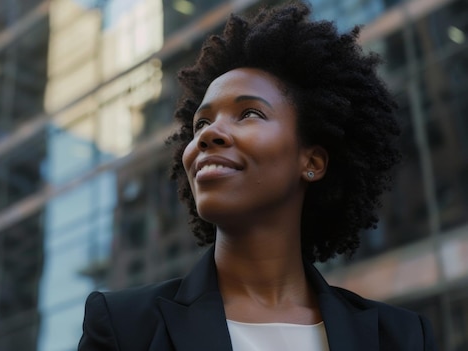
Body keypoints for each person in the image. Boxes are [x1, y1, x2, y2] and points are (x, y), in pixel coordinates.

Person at [78, 2, 438, 350]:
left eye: (249, 113)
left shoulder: (400, 338)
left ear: (311, 161)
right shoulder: (124, 328)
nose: (206, 134)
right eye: (201, 122)